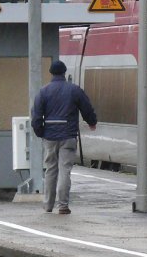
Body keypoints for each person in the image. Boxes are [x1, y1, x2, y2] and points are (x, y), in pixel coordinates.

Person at [30, 59, 97, 214]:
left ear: (51, 73)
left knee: (50, 170)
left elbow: (36, 116)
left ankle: (48, 205)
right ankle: (63, 206)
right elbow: (86, 108)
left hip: (50, 137)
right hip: (68, 135)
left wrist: (41, 132)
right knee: (64, 170)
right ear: (64, 72)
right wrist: (92, 122)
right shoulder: (74, 90)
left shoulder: (43, 91)